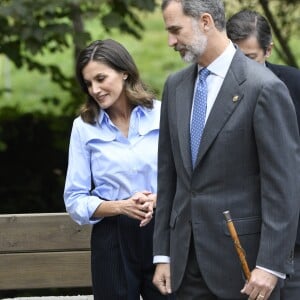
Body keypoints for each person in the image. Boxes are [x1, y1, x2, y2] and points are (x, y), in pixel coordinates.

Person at [152, 1, 300, 300]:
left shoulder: (264, 88)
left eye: (175, 30)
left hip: (245, 268)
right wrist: (162, 255)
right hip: (184, 268)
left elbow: (283, 187)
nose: (170, 41)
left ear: (205, 21)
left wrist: (270, 265)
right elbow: (169, 177)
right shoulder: (175, 86)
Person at [64, 39, 173, 300]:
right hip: (112, 238)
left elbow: (186, 179)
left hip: (162, 232)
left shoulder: (163, 114)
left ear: (124, 72)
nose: (95, 89)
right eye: (88, 83)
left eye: (101, 78)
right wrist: (121, 207)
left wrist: (159, 200)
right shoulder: (83, 127)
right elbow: (74, 199)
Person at [226, 10, 300, 300]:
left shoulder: (294, 85)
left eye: (251, 57)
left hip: (291, 234)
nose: (242, 69)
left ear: (268, 50)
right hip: (236, 235)